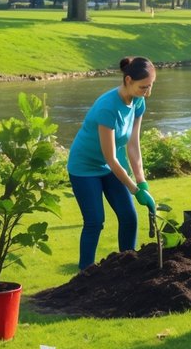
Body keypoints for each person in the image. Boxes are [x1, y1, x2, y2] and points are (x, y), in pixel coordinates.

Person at [67, 56, 156, 270]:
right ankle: (84, 274)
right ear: (128, 80)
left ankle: (127, 267)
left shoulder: (138, 101)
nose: (147, 91)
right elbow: (111, 158)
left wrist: (141, 181)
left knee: (129, 216)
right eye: (143, 87)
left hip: (109, 167)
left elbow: (133, 145)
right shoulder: (108, 107)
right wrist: (135, 190)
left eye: (151, 86)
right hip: (85, 167)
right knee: (95, 221)